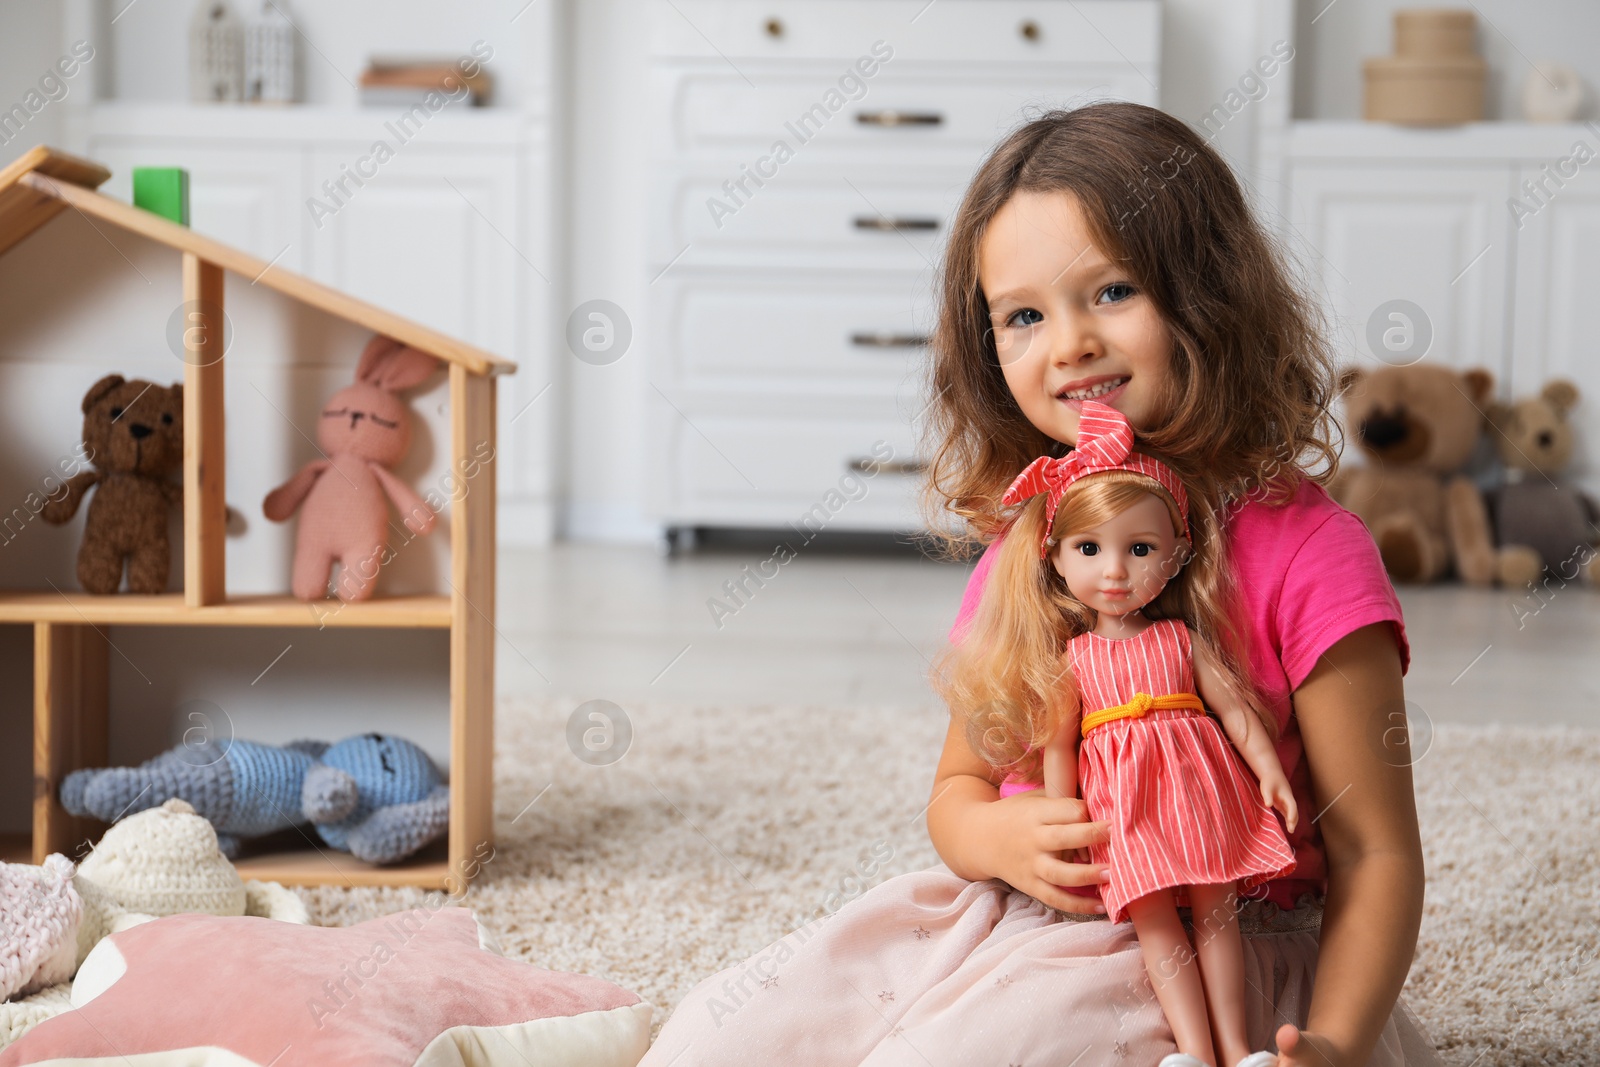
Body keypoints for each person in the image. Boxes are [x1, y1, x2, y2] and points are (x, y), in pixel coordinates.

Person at [639, 101, 1444, 1067]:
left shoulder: (1312, 550)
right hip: (1021, 917)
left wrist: (1339, 1044)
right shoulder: (1029, 549)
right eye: (1023, 315)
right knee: (726, 1031)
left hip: (1212, 940)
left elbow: (1376, 852)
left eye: (1111, 291)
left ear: (1210, 293)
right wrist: (1001, 838)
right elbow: (958, 792)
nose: (1068, 345)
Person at [957, 398, 1298, 1067]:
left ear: (1174, 558)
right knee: (1154, 922)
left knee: (1216, 912)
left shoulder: (1179, 637)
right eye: (1090, 549)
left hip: (1200, 790)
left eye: (1139, 549)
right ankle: (1195, 1051)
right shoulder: (1074, 659)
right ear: (1055, 559)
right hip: (1126, 807)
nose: (1113, 571)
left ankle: (1238, 1046)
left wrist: (1272, 771)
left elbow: (1233, 711)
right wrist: (1067, 822)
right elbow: (1059, 748)